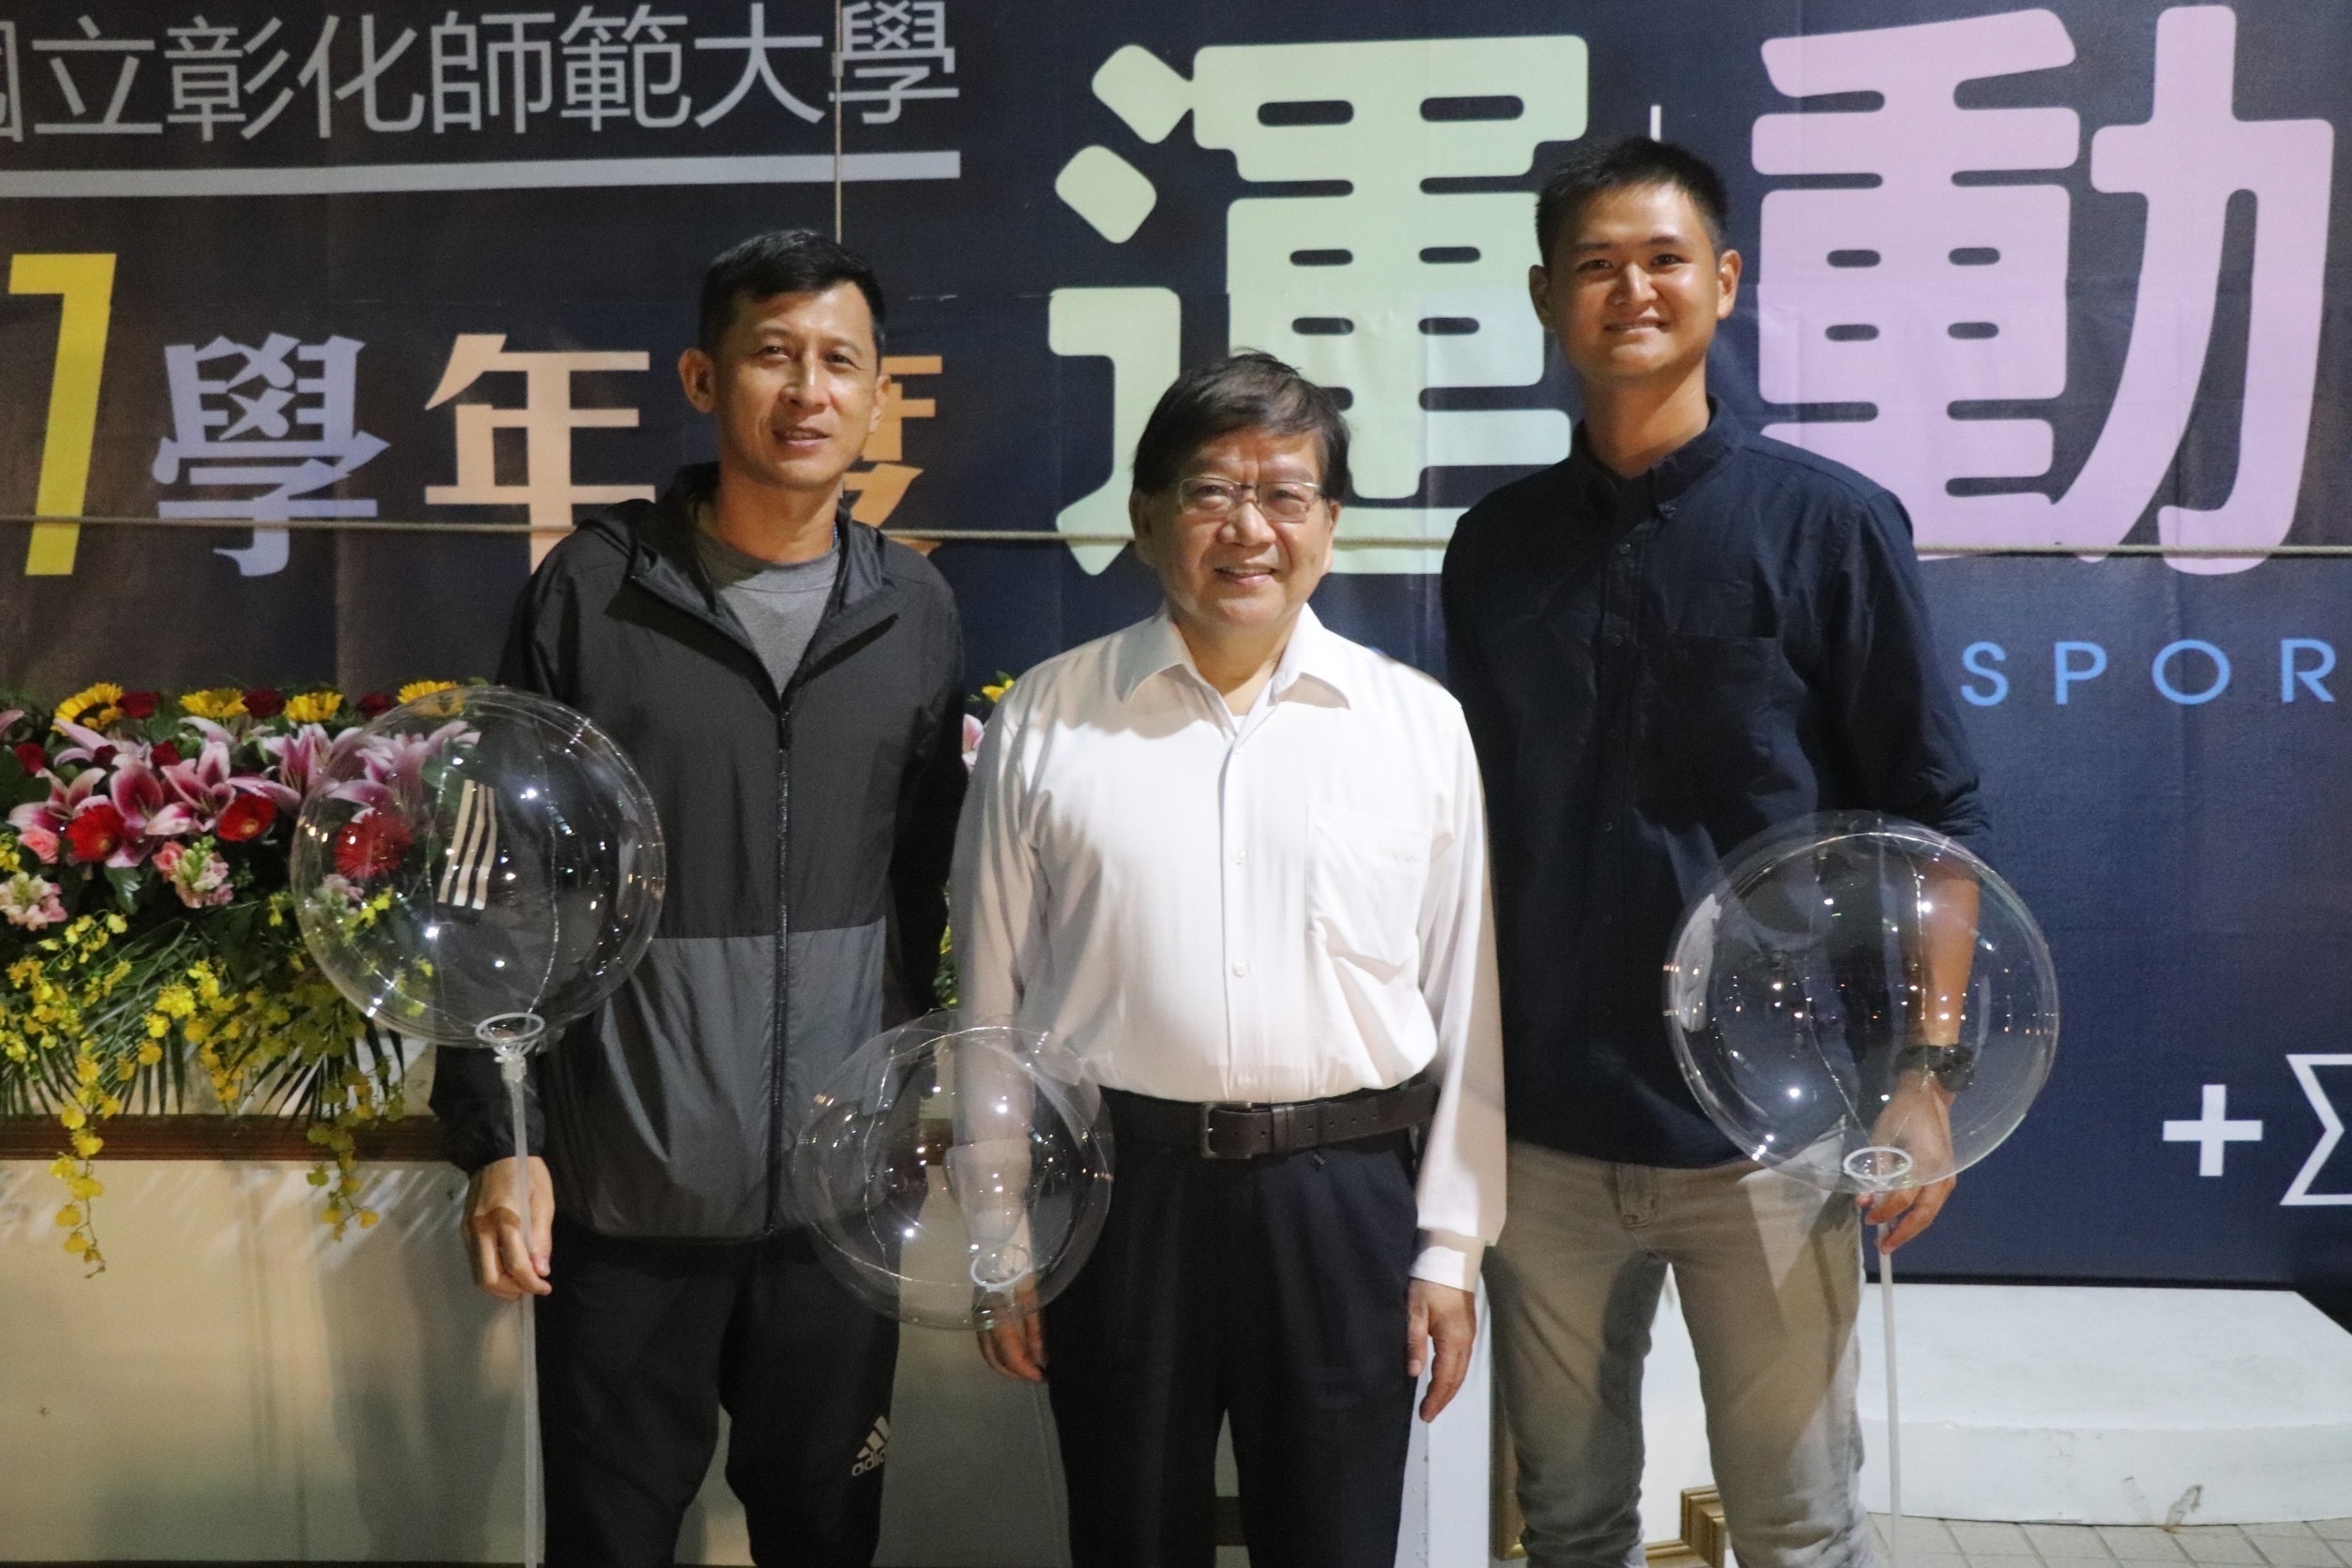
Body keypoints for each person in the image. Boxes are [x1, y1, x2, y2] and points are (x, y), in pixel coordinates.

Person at [1441, 138, 1991, 1568]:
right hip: (1545, 1136)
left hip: (1772, 1132)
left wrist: (1926, 1083)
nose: (1632, 287)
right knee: (1563, 1525)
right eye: (1596, 263)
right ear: (1548, 295)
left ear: (1725, 282)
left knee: (1796, 1527)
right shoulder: (1493, 547)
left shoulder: (1829, 527)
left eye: (1665, 257)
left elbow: (1934, 818)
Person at [430, 229, 968, 1568]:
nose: (808, 390)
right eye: (773, 355)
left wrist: (907, 1118)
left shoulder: (914, 607)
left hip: (834, 1215)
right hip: (627, 1201)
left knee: (828, 1533)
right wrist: (498, 1137)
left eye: (840, 361)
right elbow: (496, 884)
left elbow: (924, 892)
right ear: (702, 376)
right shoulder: (595, 592)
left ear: (876, 394)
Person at [953, 352, 1505, 1568]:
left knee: (1337, 1540)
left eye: (1285, 494)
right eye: (1210, 493)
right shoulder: (1047, 719)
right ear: (1146, 518)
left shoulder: (1415, 728)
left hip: (1343, 1197)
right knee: (1128, 1536)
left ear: (1330, 524)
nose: (1247, 528)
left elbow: (1468, 1005)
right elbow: (990, 1004)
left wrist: (1449, 1249)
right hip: (1118, 1193)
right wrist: (999, 1241)